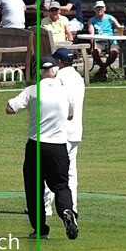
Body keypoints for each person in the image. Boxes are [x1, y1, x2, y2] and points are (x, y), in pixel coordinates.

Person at [6, 55, 78, 240]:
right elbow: (70, 115)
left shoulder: (32, 90)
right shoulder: (65, 91)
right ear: (55, 71)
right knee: (61, 186)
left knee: (34, 188)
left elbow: (10, 109)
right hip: (59, 146)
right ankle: (66, 212)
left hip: (36, 144)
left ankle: (40, 229)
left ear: (39, 72)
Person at [43, 47, 85, 218]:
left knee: (48, 169)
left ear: (59, 62)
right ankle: (71, 207)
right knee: (70, 172)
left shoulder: (59, 78)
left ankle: (45, 207)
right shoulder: (78, 78)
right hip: (75, 131)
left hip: (58, 132)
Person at [87, 0, 122, 80]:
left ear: (105, 9)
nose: (99, 9)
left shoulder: (110, 18)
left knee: (114, 52)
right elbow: (91, 35)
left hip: (111, 41)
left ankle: (102, 69)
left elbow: (119, 28)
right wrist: (93, 44)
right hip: (98, 41)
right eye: (97, 8)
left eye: (101, 7)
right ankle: (103, 69)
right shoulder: (91, 21)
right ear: (94, 9)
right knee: (95, 51)